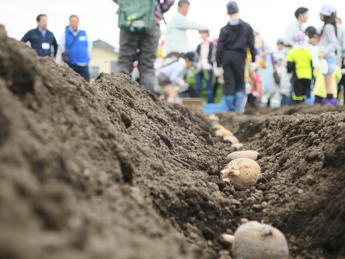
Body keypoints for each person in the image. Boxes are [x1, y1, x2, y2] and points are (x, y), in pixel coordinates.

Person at [113, 0, 175, 92]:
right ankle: (146, 100)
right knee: (147, 64)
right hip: (151, 19)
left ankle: (116, 94)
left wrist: (129, 5)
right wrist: (159, 8)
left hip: (129, 19)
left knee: (124, 61)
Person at [216, 1, 256, 114]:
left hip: (226, 58)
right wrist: (253, 59)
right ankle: (238, 109)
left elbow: (220, 47)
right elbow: (251, 44)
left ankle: (231, 110)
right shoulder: (246, 27)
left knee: (229, 83)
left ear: (227, 12)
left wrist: (218, 64)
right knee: (239, 82)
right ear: (238, 10)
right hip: (239, 57)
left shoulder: (224, 30)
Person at [59, 15, 92, 82]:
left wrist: (85, 55)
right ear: (70, 23)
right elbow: (62, 47)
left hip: (83, 63)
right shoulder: (65, 33)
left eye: (76, 21)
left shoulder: (84, 33)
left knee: (86, 83)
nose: (74, 23)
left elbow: (89, 46)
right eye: (72, 21)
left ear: (78, 22)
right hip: (71, 64)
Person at [318, 4, 339, 106]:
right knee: (328, 84)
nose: (319, 15)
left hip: (328, 57)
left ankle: (330, 104)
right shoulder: (328, 26)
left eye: (321, 14)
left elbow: (333, 42)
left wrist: (324, 52)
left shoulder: (328, 26)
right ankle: (330, 104)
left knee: (328, 84)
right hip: (328, 57)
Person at [287, 31, 313, 105]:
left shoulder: (292, 52)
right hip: (308, 75)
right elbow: (311, 64)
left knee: (298, 94)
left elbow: (289, 66)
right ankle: (306, 107)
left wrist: (289, 72)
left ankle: (299, 108)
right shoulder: (308, 52)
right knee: (306, 92)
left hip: (298, 75)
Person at [195, 29, 216, 103]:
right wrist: (196, 67)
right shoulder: (199, 46)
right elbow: (197, 57)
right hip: (200, 67)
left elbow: (214, 56)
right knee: (198, 86)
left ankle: (210, 103)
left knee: (209, 86)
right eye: (201, 33)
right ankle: (198, 103)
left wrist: (211, 64)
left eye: (204, 33)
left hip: (209, 68)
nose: (202, 35)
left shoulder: (212, 45)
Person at [267, 39, 286, 107]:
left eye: (282, 44)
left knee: (282, 89)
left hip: (283, 73)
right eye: (279, 44)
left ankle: (281, 104)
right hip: (275, 72)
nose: (281, 46)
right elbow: (273, 63)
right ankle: (268, 100)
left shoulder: (285, 53)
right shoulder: (273, 53)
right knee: (273, 89)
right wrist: (277, 68)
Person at [336, 17, 345, 104]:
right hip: (336, 61)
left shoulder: (342, 31)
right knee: (336, 83)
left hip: (342, 60)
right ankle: (335, 101)